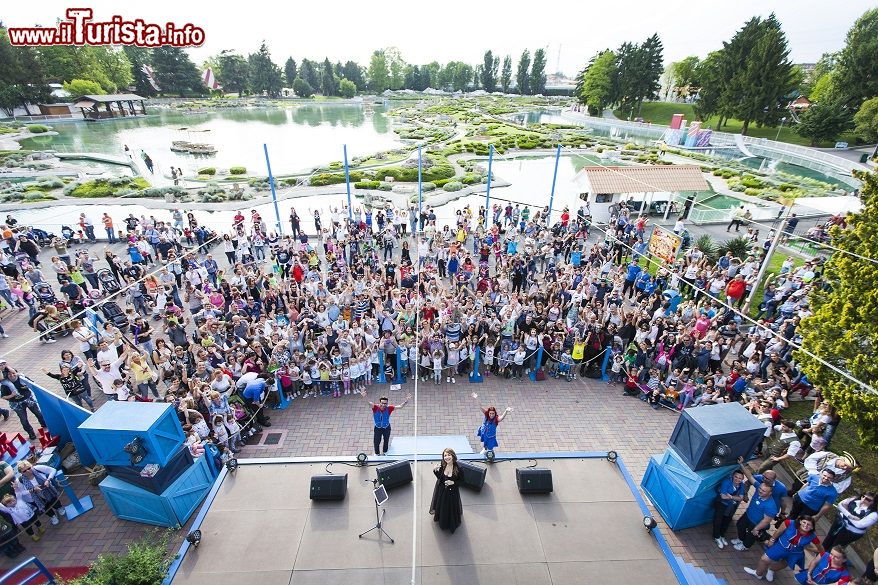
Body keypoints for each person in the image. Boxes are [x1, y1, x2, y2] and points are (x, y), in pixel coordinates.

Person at [744, 516, 821, 582]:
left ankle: (771, 570)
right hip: (781, 545)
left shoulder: (812, 536)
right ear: (800, 521)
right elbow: (779, 531)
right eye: (804, 522)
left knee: (784, 563)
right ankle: (758, 574)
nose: (806, 525)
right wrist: (772, 539)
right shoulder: (790, 523)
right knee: (765, 559)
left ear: (812, 527)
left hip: (795, 552)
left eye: (809, 524)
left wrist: (807, 547)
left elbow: (820, 549)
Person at [730, 482, 778, 551]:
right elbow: (751, 478)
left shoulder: (771, 506)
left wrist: (756, 528)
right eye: (760, 488)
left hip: (756, 523)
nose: (760, 491)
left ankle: (745, 546)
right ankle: (741, 539)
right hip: (747, 515)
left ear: (770, 493)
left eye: (763, 491)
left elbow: (766, 521)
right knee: (739, 525)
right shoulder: (758, 492)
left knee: (751, 535)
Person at [361, 391, 410, 455]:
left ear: (387, 403)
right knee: (376, 442)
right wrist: (364, 396)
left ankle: (385, 452)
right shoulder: (375, 408)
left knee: (386, 441)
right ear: (380, 402)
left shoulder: (389, 408)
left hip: (386, 428)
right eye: (382, 403)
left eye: (385, 403)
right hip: (377, 428)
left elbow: (400, 406)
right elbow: (368, 403)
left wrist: (406, 401)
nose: (384, 405)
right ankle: (377, 453)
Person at [429, 447, 462, 534]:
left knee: (450, 507)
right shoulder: (443, 464)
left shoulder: (458, 468)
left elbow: (462, 481)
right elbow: (440, 477)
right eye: (445, 455)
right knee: (442, 505)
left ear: (453, 456)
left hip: (452, 493)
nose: (447, 457)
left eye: (449, 455)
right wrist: (435, 471)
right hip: (442, 490)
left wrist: (453, 482)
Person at [714, 469, 747, 549]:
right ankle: (716, 537)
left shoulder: (741, 485)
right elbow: (723, 496)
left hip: (731, 505)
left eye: (740, 478)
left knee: (727, 520)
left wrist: (731, 497)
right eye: (736, 477)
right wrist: (735, 498)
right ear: (733, 476)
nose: (737, 479)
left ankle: (722, 535)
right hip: (722, 503)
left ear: (742, 479)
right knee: (718, 520)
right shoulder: (726, 482)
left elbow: (741, 498)